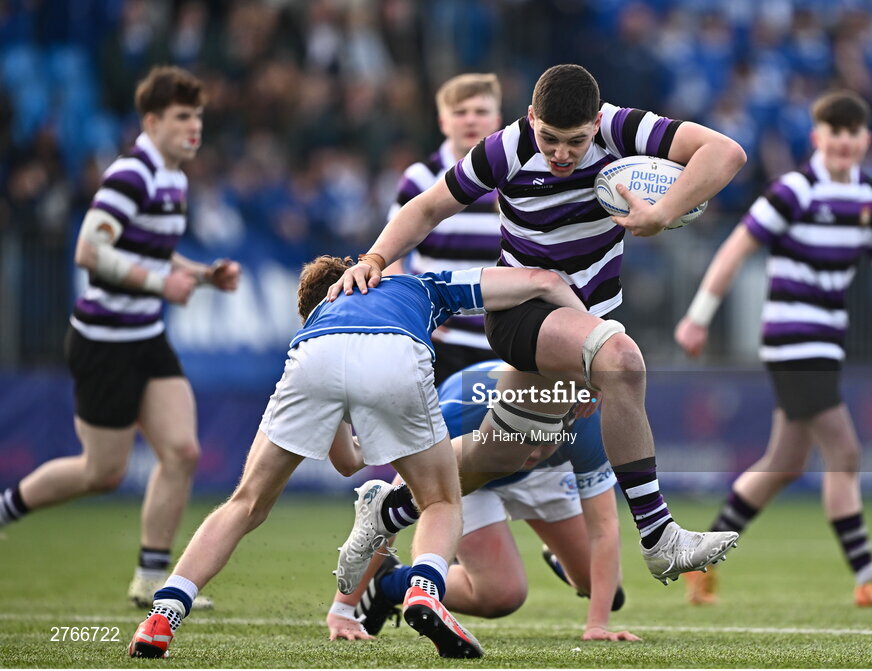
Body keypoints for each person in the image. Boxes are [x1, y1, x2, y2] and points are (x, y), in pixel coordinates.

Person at [329, 64, 748, 588]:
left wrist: (663, 212)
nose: (561, 154)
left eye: (574, 141)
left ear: (596, 122)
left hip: (585, 318)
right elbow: (430, 206)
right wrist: (373, 257)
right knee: (622, 361)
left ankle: (386, 508)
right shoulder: (504, 149)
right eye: (549, 139)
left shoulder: (623, 129)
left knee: (502, 451)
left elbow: (725, 153)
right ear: (531, 118)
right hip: (522, 313)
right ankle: (659, 537)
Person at [127, 255, 589, 660]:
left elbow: (347, 463)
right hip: (395, 353)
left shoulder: (316, 323)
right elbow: (544, 282)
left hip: (314, 363)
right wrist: (591, 349)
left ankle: (163, 614)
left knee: (244, 504)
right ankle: (424, 590)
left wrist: (368, 431)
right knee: (440, 500)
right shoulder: (416, 285)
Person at [0, 66, 240, 610]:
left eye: (198, 116)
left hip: (145, 335)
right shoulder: (133, 174)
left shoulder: (173, 176)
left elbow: (149, 248)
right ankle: (4, 508)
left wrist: (201, 274)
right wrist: (162, 283)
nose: (194, 127)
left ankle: (151, 579)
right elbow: (90, 250)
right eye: (182, 117)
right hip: (104, 341)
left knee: (181, 451)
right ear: (151, 121)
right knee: (101, 471)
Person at [674, 91, 872, 608]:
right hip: (792, 336)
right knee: (845, 453)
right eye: (834, 133)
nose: (843, 142)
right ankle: (867, 578)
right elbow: (736, 247)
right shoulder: (794, 190)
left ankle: (699, 561)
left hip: (827, 338)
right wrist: (698, 318)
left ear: (865, 139)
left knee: (784, 463)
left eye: (853, 133)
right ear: (818, 138)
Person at [324, 360, 638, 643]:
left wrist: (597, 625)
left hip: (547, 477)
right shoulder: (460, 412)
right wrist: (343, 608)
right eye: (524, 439)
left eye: (544, 443)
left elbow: (605, 526)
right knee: (502, 596)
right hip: (470, 468)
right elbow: (384, 513)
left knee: (606, 591)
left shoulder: (584, 421)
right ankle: (389, 583)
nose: (530, 453)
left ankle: (559, 556)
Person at [386, 73, 504, 384]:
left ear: (497, 120)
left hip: (504, 343)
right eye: (460, 112)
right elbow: (390, 258)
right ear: (443, 122)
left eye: (480, 112)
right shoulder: (422, 178)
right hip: (439, 343)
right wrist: (417, 315)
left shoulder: (517, 181)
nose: (470, 121)